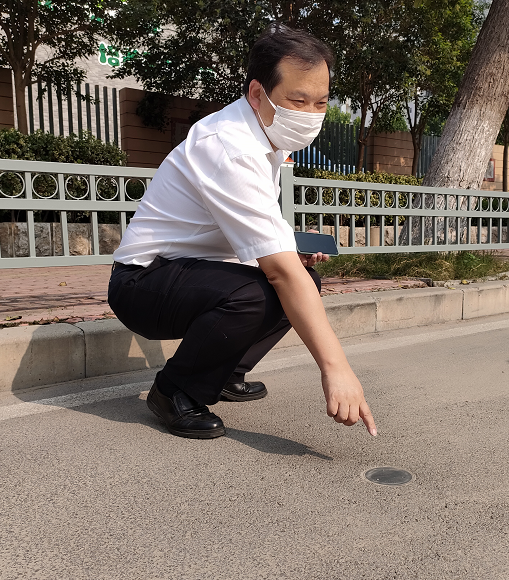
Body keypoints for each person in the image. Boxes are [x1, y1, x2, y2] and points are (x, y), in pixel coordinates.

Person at [108, 23, 377, 440]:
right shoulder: (229, 146)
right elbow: (278, 272)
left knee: (304, 280)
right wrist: (336, 368)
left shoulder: (265, 137)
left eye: (321, 102)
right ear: (257, 93)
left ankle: (222, 373)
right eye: (298, 100)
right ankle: (173, 390)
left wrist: (292, 256)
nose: (311, 114)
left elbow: (256, 237)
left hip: (191, 270)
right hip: (142, 281)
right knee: (264, 290)